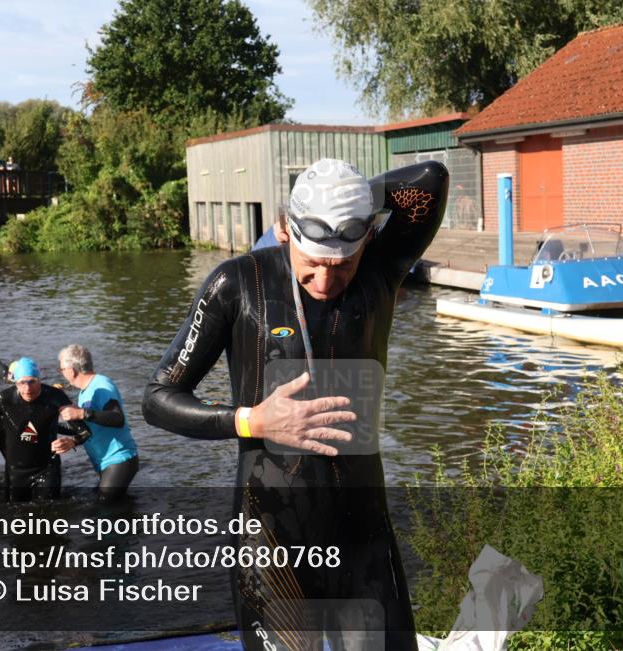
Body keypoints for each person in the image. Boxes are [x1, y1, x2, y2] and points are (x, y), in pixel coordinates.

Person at [143, 158, 448, 650]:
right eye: (312, 266)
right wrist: (251, 420)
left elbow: (430, 180)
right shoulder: (238, 284)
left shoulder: (382, 269)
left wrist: (343, 200)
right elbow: (158, 398)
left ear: (367, 240)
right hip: (272, 542)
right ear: (286, 231)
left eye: (341, 265)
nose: (326, 284)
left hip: (362, 535)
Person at [0, 357, 91, 503]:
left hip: (47, 468)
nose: (27, 388)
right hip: (16, 471)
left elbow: (85, 432)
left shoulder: (55, 397)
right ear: (15, 383)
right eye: (22, 383)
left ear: (39, 380)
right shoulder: (5, 398)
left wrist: (72, 442)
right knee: (15, 517)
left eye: (32, 381)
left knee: (48, 515)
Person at [57, 345, 139, 502]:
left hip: (119, 459)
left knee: (104, 510)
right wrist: (70, 439)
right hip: (106, 462)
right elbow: (91, 430)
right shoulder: (85, 392)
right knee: (117, 508)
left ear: (71, 370)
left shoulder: (101, 386)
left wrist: (81, 413)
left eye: (62, 369)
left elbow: (117, 418)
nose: (62, 374)